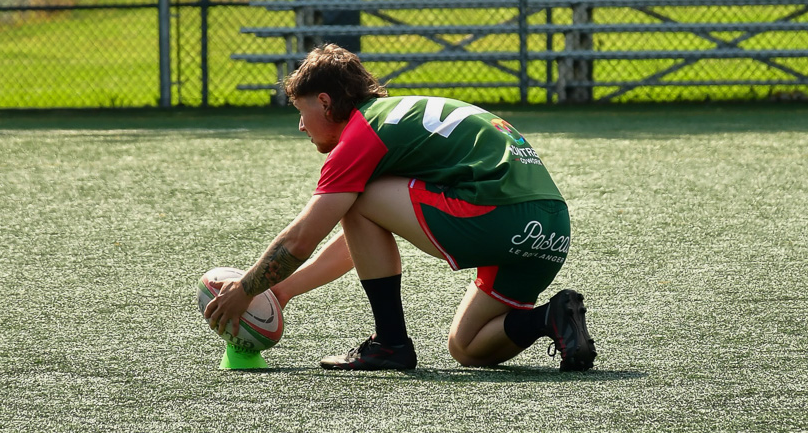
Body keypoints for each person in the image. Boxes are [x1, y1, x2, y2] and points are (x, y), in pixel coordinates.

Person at [204, 44, 596, 372]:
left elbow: (302, 238)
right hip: (552, 228)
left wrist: (247, 288)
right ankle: (550, 317)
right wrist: (282, 291)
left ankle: (390, 343)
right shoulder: (397, 119)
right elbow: (359, 242)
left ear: (324, 102)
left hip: (498, 215)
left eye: (301, 111)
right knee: (468, 348)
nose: (302, 126)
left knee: (359, 197)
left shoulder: (361, 133)